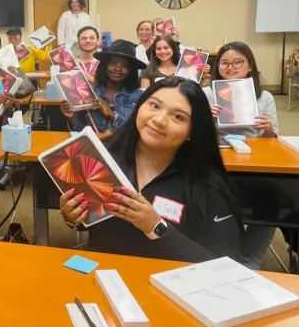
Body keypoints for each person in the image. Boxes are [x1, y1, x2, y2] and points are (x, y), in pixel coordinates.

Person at [59, 77, 244, 263]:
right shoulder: (102, 156)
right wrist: (71, 215)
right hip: (105, 278)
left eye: (178, 117)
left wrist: (156, 227)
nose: (159, 120)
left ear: (192, 131)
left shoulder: (205, 183)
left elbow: (226, 266)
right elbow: (91, 221)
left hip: (171, 283)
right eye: (154, 106)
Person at [204, 41, 280, 269]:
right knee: (211, 196)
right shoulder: (207, 94)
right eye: (225, 63)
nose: (231, 67)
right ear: (218, 67)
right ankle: (226, 255)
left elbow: (273, 141)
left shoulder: (264, 96)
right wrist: (206, 121)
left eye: (238, 62)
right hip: (217, 161)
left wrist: (267, 129)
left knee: (271, 200)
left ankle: (250, 260)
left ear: (249, 66)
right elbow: (192, 136)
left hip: (253, 161)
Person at [59, 40, 145, 133]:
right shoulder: (90, 92)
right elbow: (81, 130)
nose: (117, 69)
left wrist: (111, 113)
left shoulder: (137, 96)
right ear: (105, 66)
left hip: (122, 147)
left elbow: (134, 129)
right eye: (113, 63)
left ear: (130, 71)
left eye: (125, 66)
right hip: (94, 145)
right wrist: (71, 117)